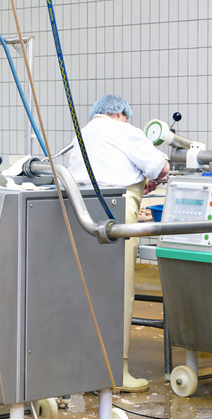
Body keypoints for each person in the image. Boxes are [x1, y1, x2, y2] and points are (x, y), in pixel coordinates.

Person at [67, 94, 169, 392]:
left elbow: (105, 169)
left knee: (88, 291)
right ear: (120, 113)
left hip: (82, 214)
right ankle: (116, 372)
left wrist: (139, 177)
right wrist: (155, 173)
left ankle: (83, 368)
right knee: (118, 289)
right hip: (117, 212)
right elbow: (160, 169)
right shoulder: (124, 130)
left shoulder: (82, 134)